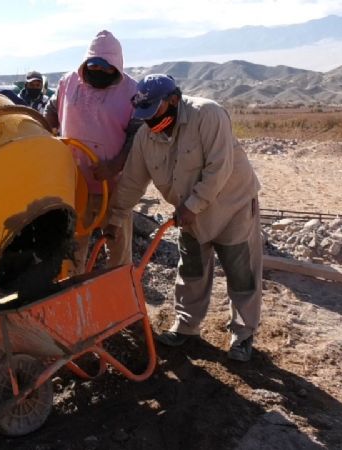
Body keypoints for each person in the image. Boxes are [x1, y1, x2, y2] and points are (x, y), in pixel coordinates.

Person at [104, 74, 263, 362]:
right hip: (188, 213)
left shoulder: (208, 115)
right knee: (191, 269)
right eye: (145, 115)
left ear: (174, 100)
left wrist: (193, 205)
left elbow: (219, 168)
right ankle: (187, 326)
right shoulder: (146, 137)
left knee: (241, 273)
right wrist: (115, 217)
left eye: (155, 113)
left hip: (232, 207)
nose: (151, 122)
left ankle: (242, 333)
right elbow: (131, 182)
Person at [44, 30, 141, 274]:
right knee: (71, 248)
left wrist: (114, 165)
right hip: (73, 185)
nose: (99, 71)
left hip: (113, 186)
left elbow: (137, 136)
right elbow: (51, 111)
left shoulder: (132, 91)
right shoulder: (68, 83)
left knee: (117, 248)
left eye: (106, 68)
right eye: (94, 65)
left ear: (117, 68)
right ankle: (70, 298)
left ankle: (119, 300)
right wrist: (46, 136)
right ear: (86, 63)